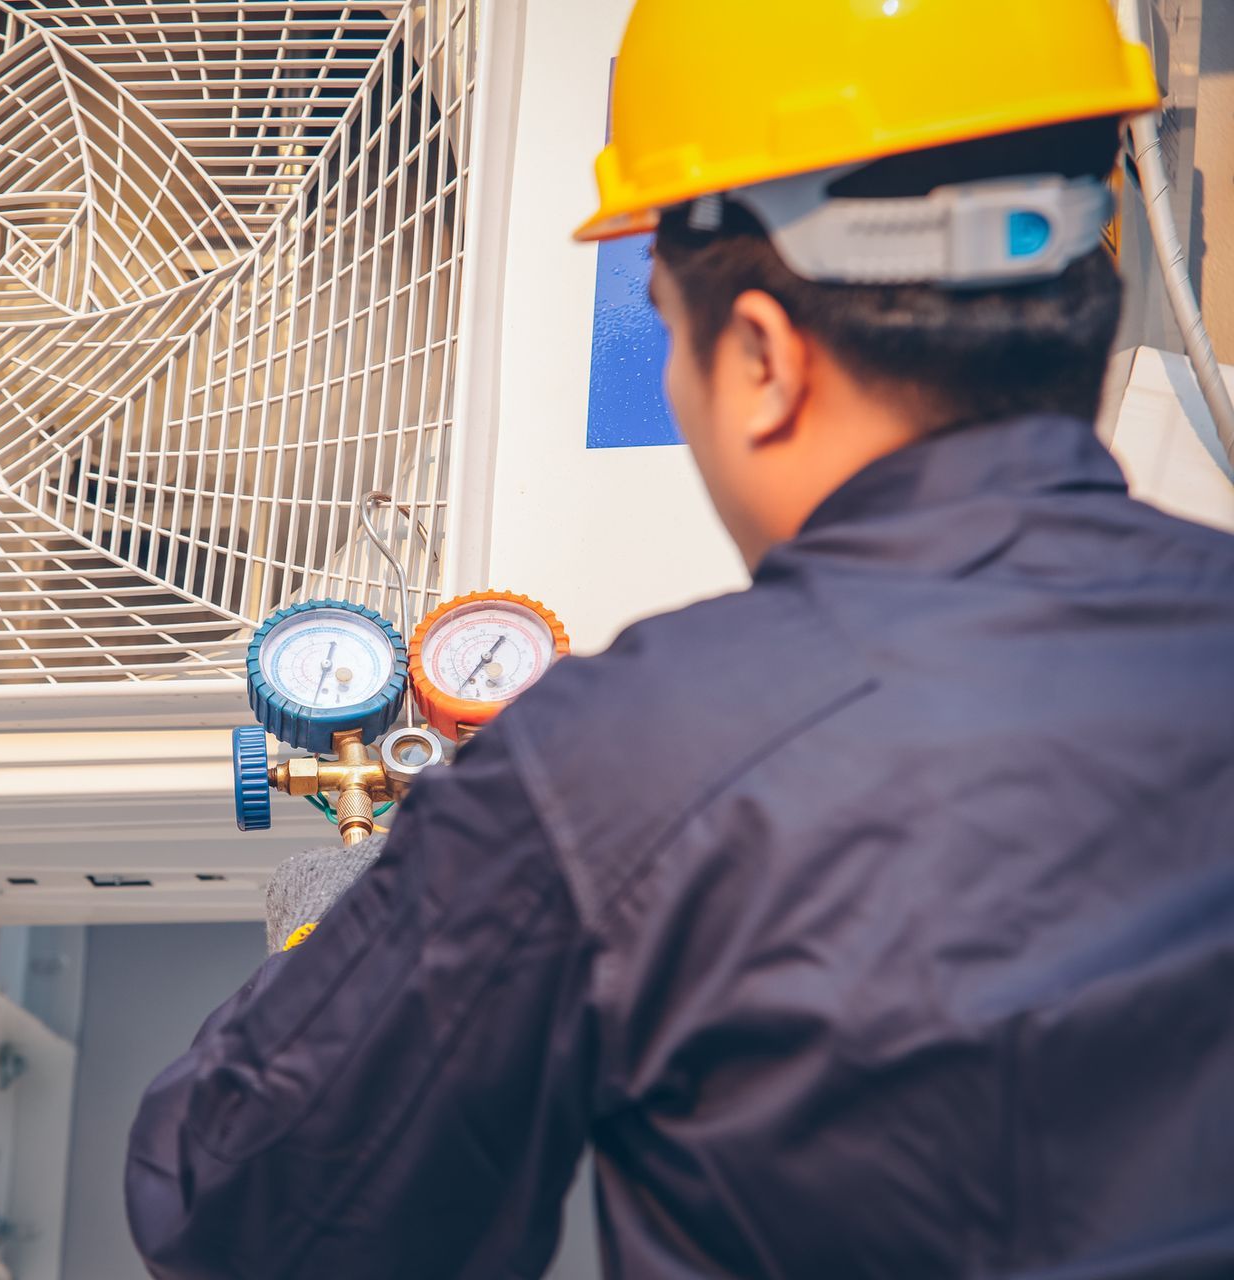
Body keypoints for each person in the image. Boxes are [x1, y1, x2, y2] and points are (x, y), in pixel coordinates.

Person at [125, 0, 1234, 1274]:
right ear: (1097, 282)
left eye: (664, 322)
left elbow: (252, 1222)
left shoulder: (620, 763)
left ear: (760, 354)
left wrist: (348, 925)